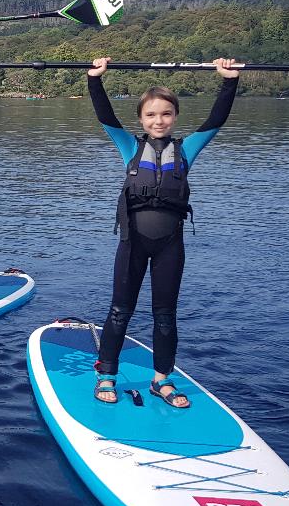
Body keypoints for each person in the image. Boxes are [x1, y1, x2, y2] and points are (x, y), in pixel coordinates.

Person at [86, 57, 240, 408]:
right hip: (133, 243)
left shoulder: (186, 150)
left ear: (175, 117)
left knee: (165, 315)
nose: (159, 120)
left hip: (170, 244)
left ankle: (162, 379)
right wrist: (95, 80)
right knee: (120, 311)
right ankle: (107, 374)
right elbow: (106, 118)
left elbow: (216, 120)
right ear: (141, 119)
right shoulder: (130, 148)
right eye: (152, 115)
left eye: (166, 114)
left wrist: (229, 81)